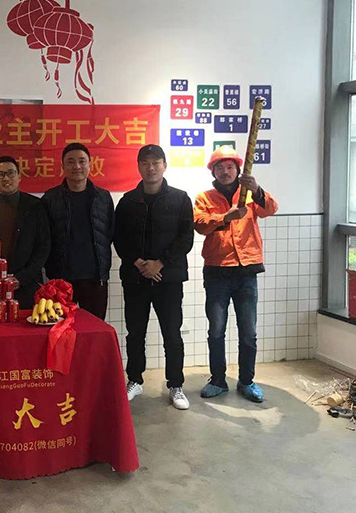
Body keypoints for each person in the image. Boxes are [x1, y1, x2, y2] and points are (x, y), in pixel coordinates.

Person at [194, 145, 278, 403]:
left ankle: (247, 381)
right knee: (216, 331)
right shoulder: (205, 198)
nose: (225, 171)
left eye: (230, 167)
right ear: (213, 171)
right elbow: (200, 224)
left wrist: (257, 189)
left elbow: (271, 209)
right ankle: (217, 380)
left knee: (248, 332)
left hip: (246, 272)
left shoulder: (249, 195)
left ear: (238, 170)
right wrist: (225, 217)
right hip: (217, 272)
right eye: (219, 167)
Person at [114, 145, 194, 410]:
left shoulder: (180, 199)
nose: (151, 168)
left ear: (164, 165)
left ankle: (175, 385)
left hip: (168, 279)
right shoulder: (128, 201)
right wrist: (138, 263)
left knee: (172, 334)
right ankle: (135, 380)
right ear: (138, 166)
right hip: (135, 278)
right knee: (135, 333)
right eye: (145, 163)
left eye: (156, 162)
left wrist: (160, 263)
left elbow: (186, 238)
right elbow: (119, 238)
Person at [41, 143, 115, 320]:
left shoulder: (103, 197)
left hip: (95, 279)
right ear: (63, 166)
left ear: (90, 164)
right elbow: (43, 238)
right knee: (61, 330)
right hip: (61, 279)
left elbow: (111, 232)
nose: (77, 166)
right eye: (71, 162)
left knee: (95, 329)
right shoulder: (50, 199)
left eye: (82, 161)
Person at [0, 156, 50, 308]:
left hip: (29, 284)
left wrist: (22, 277)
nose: (6, 178)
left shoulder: (36, 207)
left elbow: (43, 246)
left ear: (19, 177)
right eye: (0, 174)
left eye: (10, 173)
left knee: (29, 322)